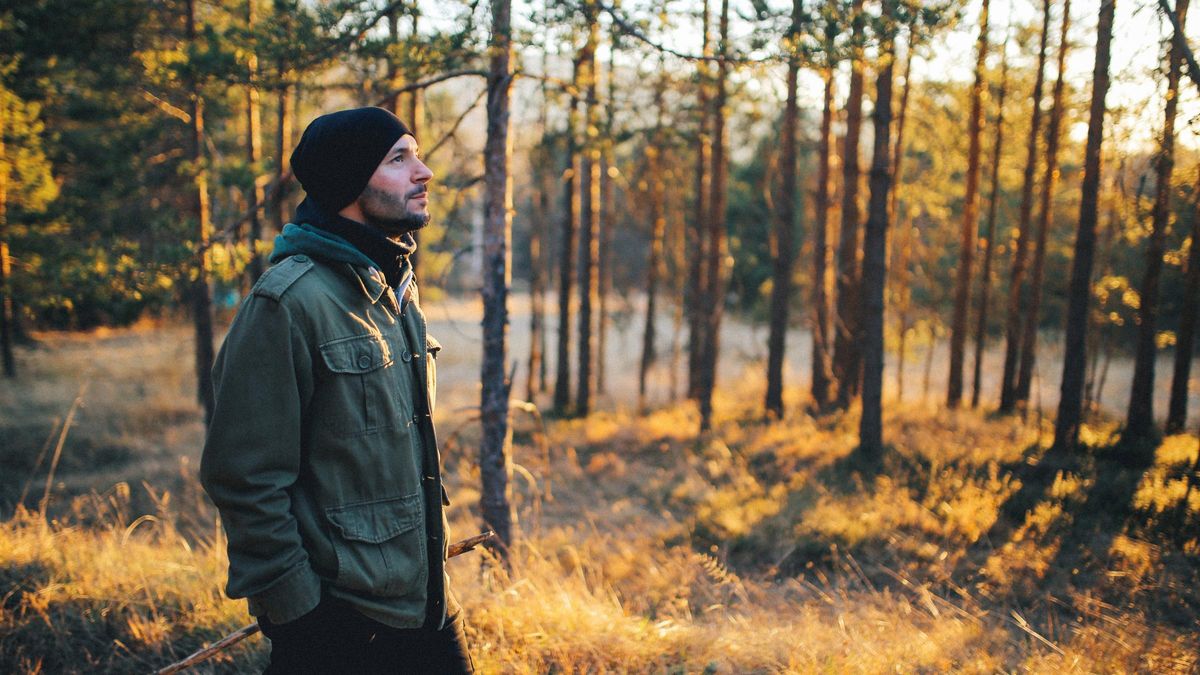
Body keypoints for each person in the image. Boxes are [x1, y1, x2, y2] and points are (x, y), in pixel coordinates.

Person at [200, 107, 474, 674]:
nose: (423, 172)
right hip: (338, 626)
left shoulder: (393, 287)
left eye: (416, 155)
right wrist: (302, 616)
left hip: (425, 608)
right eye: (400, 159)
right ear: (351, 183)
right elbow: (244, 477)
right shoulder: (287, 303)